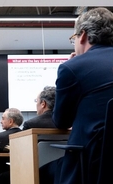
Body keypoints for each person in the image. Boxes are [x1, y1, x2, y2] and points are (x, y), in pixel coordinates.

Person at [39, 7, 113, 184]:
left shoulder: (73, 68)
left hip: (90, 163)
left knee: (41, 172)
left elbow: (62, 121)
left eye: (73, 39)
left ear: (83, 35)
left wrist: (71, 67)